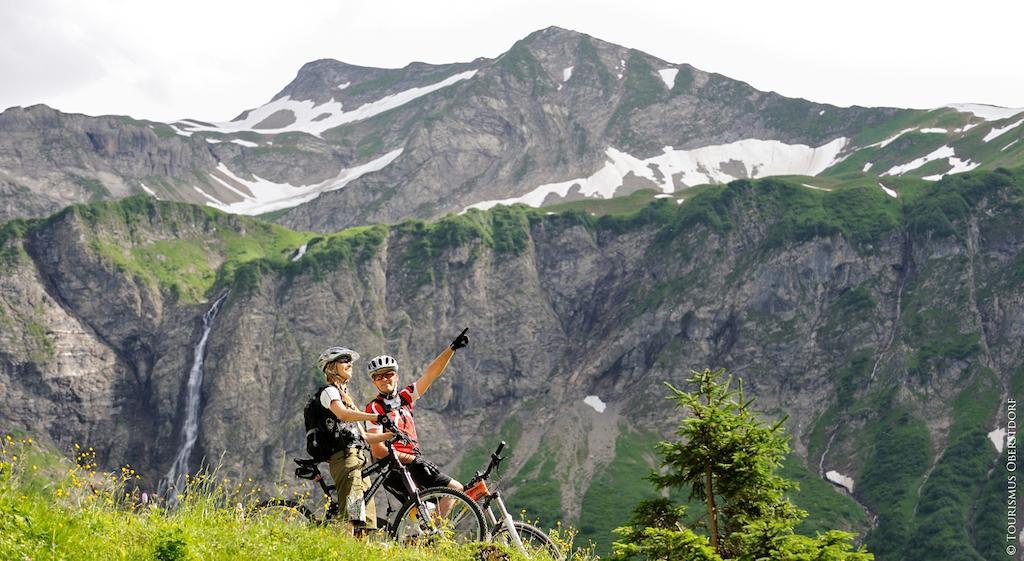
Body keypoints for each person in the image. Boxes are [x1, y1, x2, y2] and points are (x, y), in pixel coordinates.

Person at [364, 329, 470, 512]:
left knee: (442, 501)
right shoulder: (374, 408)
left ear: (396, 376)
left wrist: (451, 349)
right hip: (395, 468)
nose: (384, 379)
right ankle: (434, 539)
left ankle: (429, 538)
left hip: (413, 464)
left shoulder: (405, 398)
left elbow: (430, 374)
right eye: (378, 376)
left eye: (388, 374)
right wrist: (413, 460)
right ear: (374, 382)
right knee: (451, 492)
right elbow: (378, 451)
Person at [314, 346, 394, 535]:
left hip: (358, 459)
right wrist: (373, 417)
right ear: (332, 367)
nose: (350, 364)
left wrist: (392, 435)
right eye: (344, 360)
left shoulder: (346, 398)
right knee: (352, 514)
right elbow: (342, 414)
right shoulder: (329, 392)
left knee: (364, 521)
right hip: (345, 458)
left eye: (350, 360)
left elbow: (365, 437)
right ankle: (342, 550)